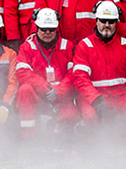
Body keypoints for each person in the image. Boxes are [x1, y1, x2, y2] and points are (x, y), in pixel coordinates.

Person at [15, 8, 79, 138]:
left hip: (61, 98)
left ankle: (56, 130)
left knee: (73, 116)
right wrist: (45, 88)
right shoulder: (27, 47)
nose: (48, 32)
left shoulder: (67, 46)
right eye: (44, 29)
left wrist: (59, 91)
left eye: (51, 29)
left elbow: (74, 74)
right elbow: (22, 73)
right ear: (37, 28)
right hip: (39, 97)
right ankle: (29, 135)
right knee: (24, 90)